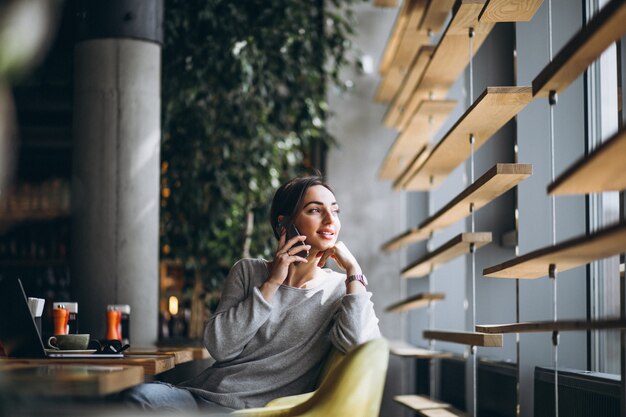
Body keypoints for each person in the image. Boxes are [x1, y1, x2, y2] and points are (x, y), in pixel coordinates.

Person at [119, 175, 381, 412]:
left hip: (256, 413)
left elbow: (359, 348)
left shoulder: (340, 290)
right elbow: (220, 347)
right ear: (285, 225)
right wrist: (272, 282)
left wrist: (354, 272)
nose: (330, 220)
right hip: (200, 398)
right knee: (137, 399)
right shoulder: (248, 271)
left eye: (335, 211)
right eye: (315, 210)